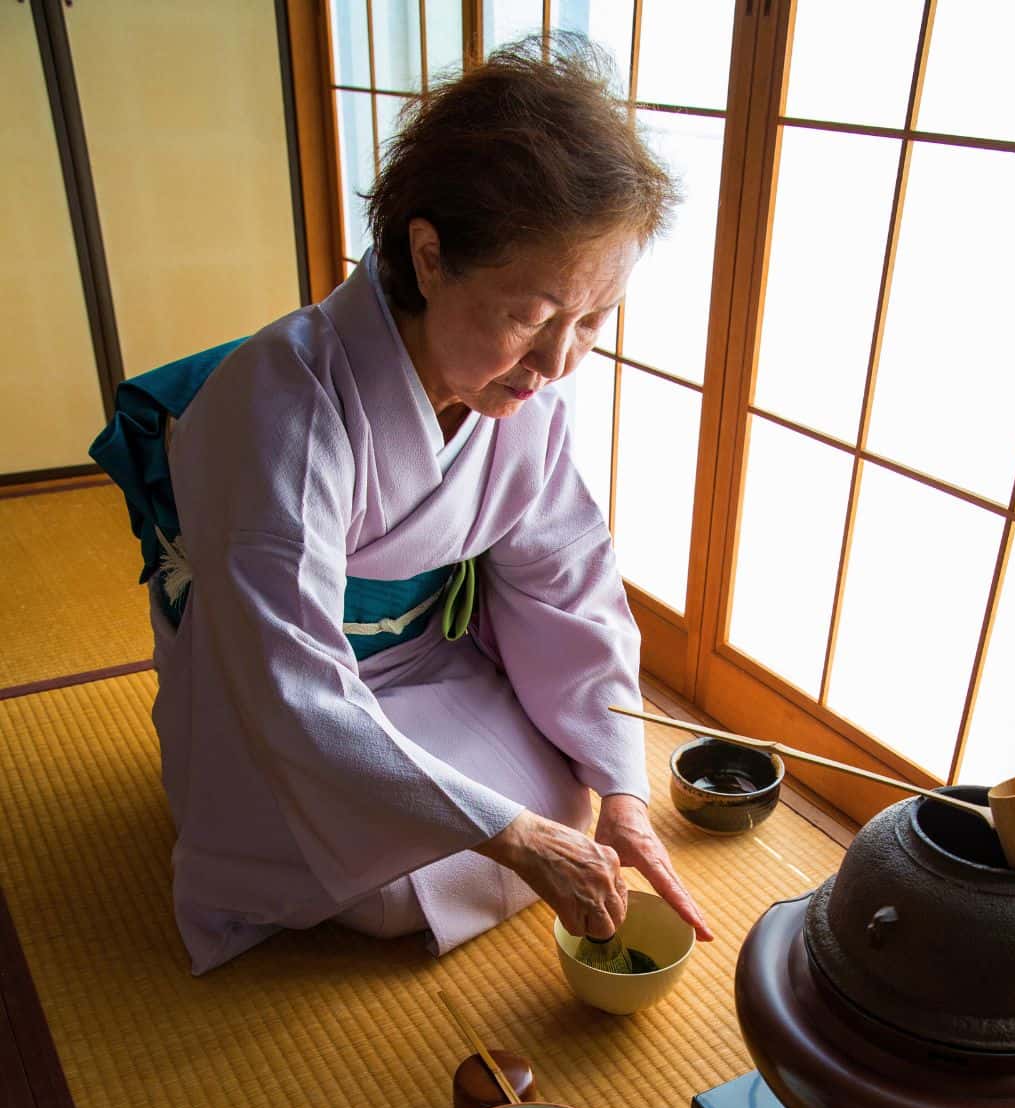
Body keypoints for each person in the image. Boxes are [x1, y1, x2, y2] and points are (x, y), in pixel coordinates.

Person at [98, 36, 712, 974]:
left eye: (593, 322)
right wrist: (521, 840)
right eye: (534, 315)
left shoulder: (522, 404)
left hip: (425, 666)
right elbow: (290, 686)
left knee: (571, 794)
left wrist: (623, 787)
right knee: (405, 879)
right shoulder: (285, 406)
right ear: (428, 255)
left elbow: (567, 593)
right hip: (276, 703)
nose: (556, 366)